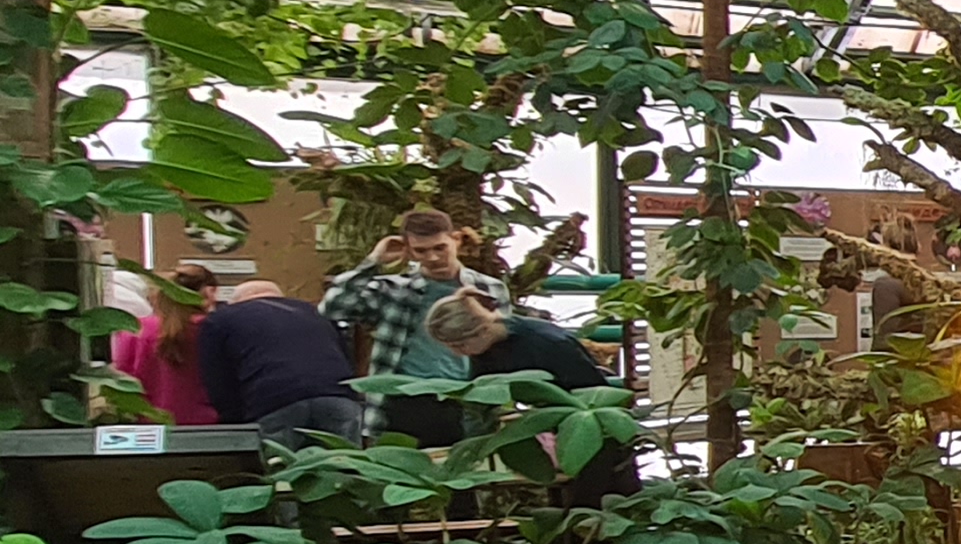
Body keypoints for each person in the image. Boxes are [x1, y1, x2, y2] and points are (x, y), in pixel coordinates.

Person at [425, 290, 638, 510]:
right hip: (551, 429)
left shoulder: (548, 343)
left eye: (459, 346)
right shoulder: (485, 350)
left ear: (483, 329)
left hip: (590, 428)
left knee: (596, 501)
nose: (458, 354)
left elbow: (593, 393)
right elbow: (479, 404)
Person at [323, 210, 508, 446]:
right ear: (409, 251)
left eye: (440, 247)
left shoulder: (490, 289)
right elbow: (333, 308)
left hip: (466, 397)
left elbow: (503, 344)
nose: (432, 257)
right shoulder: (394, 289)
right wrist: (374, 261)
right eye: (421, 250)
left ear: (456, 240)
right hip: (404, 396)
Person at [196, 280, 364, 445]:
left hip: (274, 402)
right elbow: (346, 357)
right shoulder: (316, 314)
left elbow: (218, 377)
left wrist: (233, 420)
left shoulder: (222, 319)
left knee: (283, 461)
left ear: (235, 301)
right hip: (338, 397)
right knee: (343, 459)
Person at [105, 262, 230, 426]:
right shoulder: (215, 329)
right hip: (208, 426)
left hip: (149, 427)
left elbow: (122, 378)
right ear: (209, 292)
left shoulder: (135, 330)